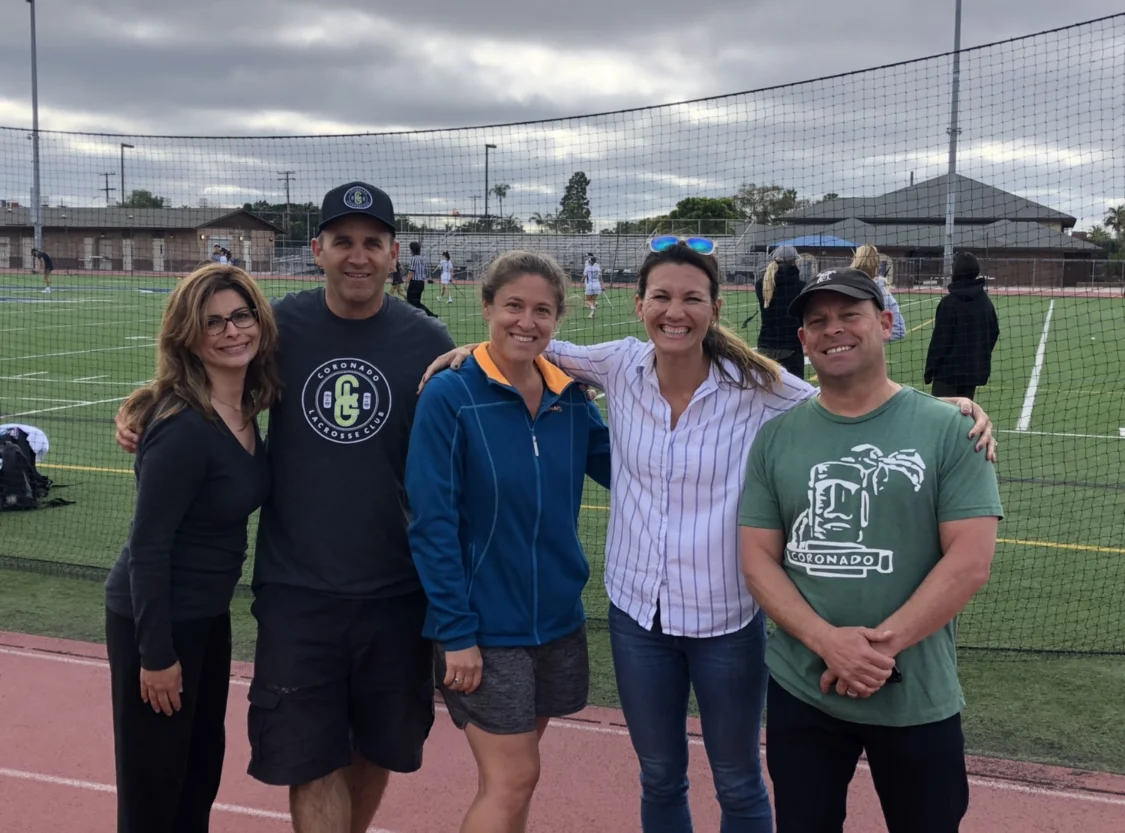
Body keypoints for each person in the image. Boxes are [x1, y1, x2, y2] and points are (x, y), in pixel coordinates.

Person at [418, 238, 997, 833]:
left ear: (715, 308)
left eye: (692, 298)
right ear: (640, 305)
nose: (676, 311)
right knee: (660, 774)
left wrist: (945, 409)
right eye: (662, 297)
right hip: (637, 616)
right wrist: (469, 349)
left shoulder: (759, 386)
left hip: (725, 619)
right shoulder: (617, 363)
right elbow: (529, 341)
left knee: (739, 779)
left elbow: (846, 399)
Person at [115, 181, 456, 833]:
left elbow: (484, 394)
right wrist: (142, 403)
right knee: (310, 756)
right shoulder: (282, 328)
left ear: (392, 256)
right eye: (342, 242)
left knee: (375, 747)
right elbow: (208, 362)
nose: (357, 256)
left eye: (372, 243)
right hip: (298, 591)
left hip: (396, 588)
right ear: (317, 250)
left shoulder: (426, 341)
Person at [738, 266, 1003, 833]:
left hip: (915, 694)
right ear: (805, 341)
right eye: (818, 321)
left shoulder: (949, 429)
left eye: (849, 315)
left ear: (885, 322)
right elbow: (757, 558)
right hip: (802, 689)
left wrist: (874, 652)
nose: (834, 330)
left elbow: (970, 562)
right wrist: (827, 642)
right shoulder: (778, 437)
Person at [405, 250, 612, 833]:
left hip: (557, 620)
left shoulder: (570, 397)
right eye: (514, 306)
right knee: (512, 778)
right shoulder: (451, 395)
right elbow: (432, 521)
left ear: (558, 319)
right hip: (482, 630)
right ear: (487, 306)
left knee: (520, 779)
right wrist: (455, 631)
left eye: (543, 310)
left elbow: (630, 469)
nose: (527, 321)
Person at [104, 263, 281, 833]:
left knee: (199, 773)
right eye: (213, 324)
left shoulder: (245, 409)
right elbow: (149, 545)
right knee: (155, 786)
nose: (232, 332)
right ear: (189, 335)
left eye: (240, 316)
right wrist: (154, 655)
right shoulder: (183, 427)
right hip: (156, 621)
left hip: (206, 616)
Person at [924, 251, 1000, 400]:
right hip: (971, 374)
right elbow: (993, 332)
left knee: (942, 417)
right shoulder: (985, 302)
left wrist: (930, 370)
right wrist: (978, 355)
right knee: (964, 416)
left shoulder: (949, 303)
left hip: (946, 375)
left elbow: (940, 341)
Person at [754, 245, 805, 378]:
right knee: (796, 396)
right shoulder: (801, 287)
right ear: (795, 261)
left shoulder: (762, 284)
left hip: (765, 345)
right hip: (791, 347)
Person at [851, 244, 905, 341]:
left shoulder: (844, 286)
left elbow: (899, 331)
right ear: (877, 264)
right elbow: (899, 330)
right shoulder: (883, 293)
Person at [406, 240, 436, 317]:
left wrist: (406, 282)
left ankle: (429, 315)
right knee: (416, 302)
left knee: (411, 302)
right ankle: (427, 315)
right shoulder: (422, 258)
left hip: (415, 283)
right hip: (421, 283)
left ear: (412, 249)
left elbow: (411, 272)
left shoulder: (413, 259)